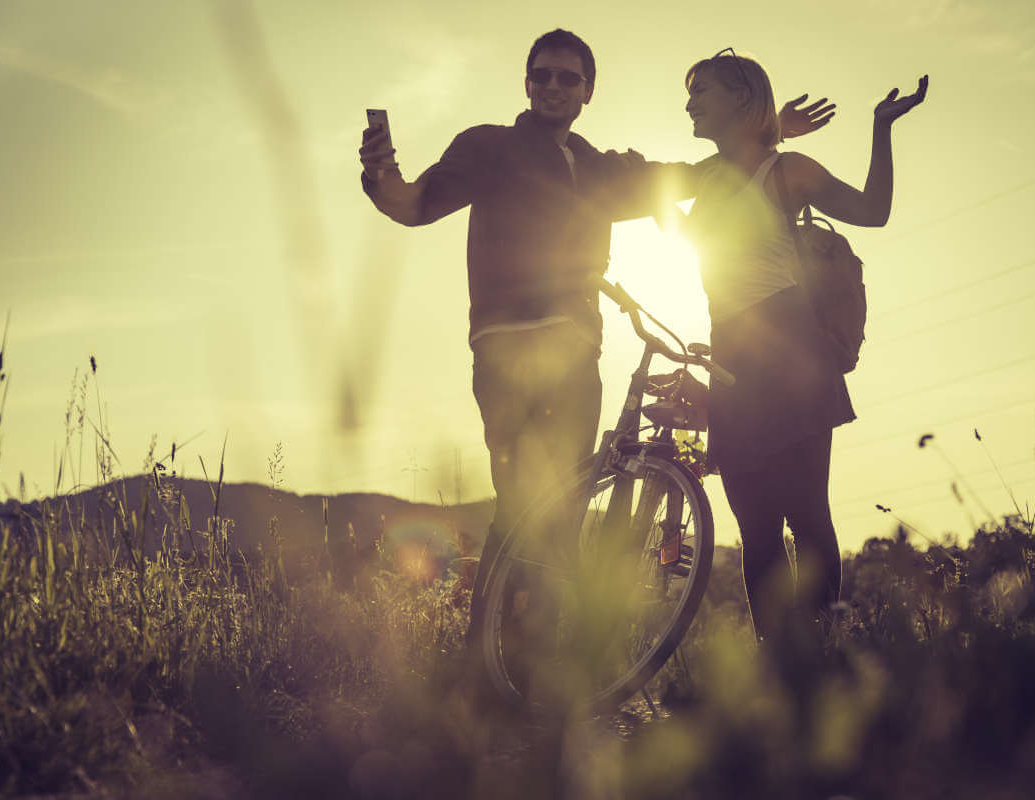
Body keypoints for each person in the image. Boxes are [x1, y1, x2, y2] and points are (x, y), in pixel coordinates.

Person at [358, 30, 835, 652]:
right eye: (542, 76)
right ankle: (488, 658)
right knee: (519, 499)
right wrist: (379, 169)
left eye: (568, 78)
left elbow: (694, 175)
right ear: (527, 84)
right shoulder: (488, 146)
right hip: (504, 347)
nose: (554, 86)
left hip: (575, 352)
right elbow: (412, 204)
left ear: (587, 91)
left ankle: (527, 663)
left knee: (556, 506)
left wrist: (767, 134)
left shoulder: (603, 170)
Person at [677, 49, 927, 640]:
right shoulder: (705, 179)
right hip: (730, 358)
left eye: (700, 91)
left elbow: (873, 210)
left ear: (740, 98)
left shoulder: (786, 172)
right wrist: (771, 125)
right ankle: (782, 666)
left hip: (791, 351)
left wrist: (881, 128)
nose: (689, 104)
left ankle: (825, 654)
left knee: (806, 515)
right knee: (757, 527)